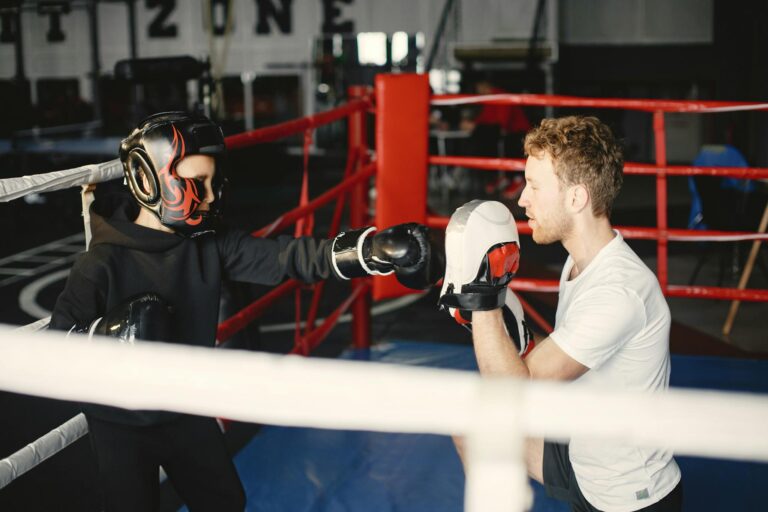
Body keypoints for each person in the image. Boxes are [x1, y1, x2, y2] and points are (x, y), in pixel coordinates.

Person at [49, 111, 442, 511]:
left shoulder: (208, 243)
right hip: (119, 427)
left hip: (186, 409)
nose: (211, 195)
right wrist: (109, 337)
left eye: (212, 181)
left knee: (225, 502)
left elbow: (287, 257)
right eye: (196, 183)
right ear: (149, 180)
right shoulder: (100, 264)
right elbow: (53, 352)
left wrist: (369, 251)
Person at [443, 116, 682, 512]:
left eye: (534, 186)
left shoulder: (618, 291)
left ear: (576, 198)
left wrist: (482, 298)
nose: (521, 200)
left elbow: (516, 391)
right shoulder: (580, 264)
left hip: (627, 496)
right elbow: (559, 361)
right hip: (582, 452)